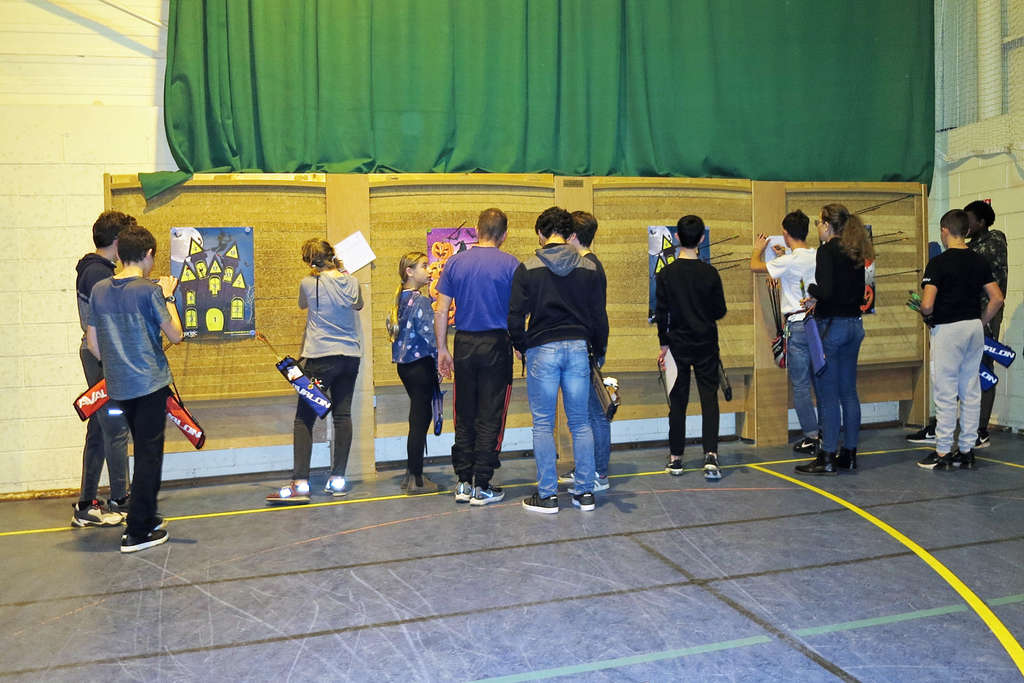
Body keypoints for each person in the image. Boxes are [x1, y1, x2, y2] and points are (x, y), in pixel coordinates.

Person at [87, 224, 183, 552]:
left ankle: (147, 515)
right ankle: (138, 531)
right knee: (148, 456)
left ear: (120, 252)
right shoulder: (148, 291)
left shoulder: (100, 290)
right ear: (148, 254)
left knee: (142, 452)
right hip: (149, 385)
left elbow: (94, 344)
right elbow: (176, 335)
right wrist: (169, 296)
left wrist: (119, 364)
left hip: (120, 387)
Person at [509, 207, 608, 513]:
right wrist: (598, 351)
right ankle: (585, 493)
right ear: (569, 234)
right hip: (578, 349)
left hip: (542, 350)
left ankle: (548, 495)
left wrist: (521, 345)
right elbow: (598, 316)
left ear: (541, 233)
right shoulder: (588, 267)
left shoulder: (527, 268)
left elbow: (515, 315)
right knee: (580, 423)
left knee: (543, 424)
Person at [266, 239, 363, 505]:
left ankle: (300, 484)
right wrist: (342, 272)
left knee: (304, 419)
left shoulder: (309, 283)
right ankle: (338, 480)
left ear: (310, 261)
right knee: (342, 415)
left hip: (320, 356)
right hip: (350, 357)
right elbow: (358, 305)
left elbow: (302, 304)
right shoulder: (352, 282)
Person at [905, 200, 1008, 450]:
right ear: (966, 231)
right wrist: (980, 321)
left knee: (946, 391)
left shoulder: (939, 262)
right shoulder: (978, 260)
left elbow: (927, 304)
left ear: (944, 231)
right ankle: (966, 448)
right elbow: (997, 298)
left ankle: (943, 450)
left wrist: (926, 311)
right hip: (973, 327)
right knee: (971, 390)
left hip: (949, 328)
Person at [434, 208, 520, 506]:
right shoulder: (512, 264)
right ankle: (481, 484)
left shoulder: (455, 262)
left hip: (464, 344)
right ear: (504, 235)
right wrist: (519, 343)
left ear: (476, 229)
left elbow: (441, 310)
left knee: (465, 412)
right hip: (496, 345)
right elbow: (518, 312)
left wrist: (443, 349)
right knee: (491, 414)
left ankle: (462, 482)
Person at [795, 204, 873, 475]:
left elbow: (826, 291)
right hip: (854, 326)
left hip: (833, 328)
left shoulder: (826, 250)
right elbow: (852, 291)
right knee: (848, 392)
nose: (817, 227)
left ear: (828, 226)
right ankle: (848, 454)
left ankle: (827, 456)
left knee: (828, 395)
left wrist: (812, 289)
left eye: (818, 223)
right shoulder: (855, 250)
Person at [72, 211, 134, 528]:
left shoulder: (95, 269)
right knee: (115, 428)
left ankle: (86, 505)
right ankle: (121, 500)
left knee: (98, 430)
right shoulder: (98, 274)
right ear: (117, 241)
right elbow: (102, 326)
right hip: (101, 357)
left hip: (98, 355)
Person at [655, 215, 728, 480]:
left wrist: (663, 345)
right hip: (706, 344)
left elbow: (662, 313)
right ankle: (711, 456)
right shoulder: (710, 273)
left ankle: (676, 458)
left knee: (678, 402)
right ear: (702, 239)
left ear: (677, 237)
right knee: (709, 399)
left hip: (677, 346)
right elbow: (720, 311)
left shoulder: (666, 274)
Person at [750, 210, 820, 455]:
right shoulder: (817, 255)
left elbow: (755, 266)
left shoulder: (789, 261)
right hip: (818, 324)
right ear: (807, 232)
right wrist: (784, 256)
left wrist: (758, 248)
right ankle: (827, 434)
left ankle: (812, 436)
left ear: (786, 234)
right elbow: (799, 269)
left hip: (798, 326)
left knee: (801, 385)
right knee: (820, 382)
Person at [557, 210, 612, 492]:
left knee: (595, 414)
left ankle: (599, 473)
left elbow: (597, 314)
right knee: (585, 414)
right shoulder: (586, 264)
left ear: (574, 236)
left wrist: (597, 350)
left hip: (589, 347)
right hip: (588, 346)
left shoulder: (590, 265)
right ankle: (586, 467)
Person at [387, 252, 442, 494]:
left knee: (417, 418)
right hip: (420, 365)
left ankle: (411, 472)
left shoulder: (401, 298)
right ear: (409, 271)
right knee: (420, 420)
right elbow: (431, 336)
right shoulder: (420, 300)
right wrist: (441, 361)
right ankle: (417, 479)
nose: (429, 270)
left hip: (406, 366)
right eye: (424, 266)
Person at [966, 200, 1007, 449]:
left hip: (986, 315)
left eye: (969, 219)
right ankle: (970, 425)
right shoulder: (972, 246)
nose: (965, 225)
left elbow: (970, 261)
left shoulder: (993, 242)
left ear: (981, 222)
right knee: (967, 370)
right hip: (971, 315)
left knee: (983, 370)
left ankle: (981, 430)